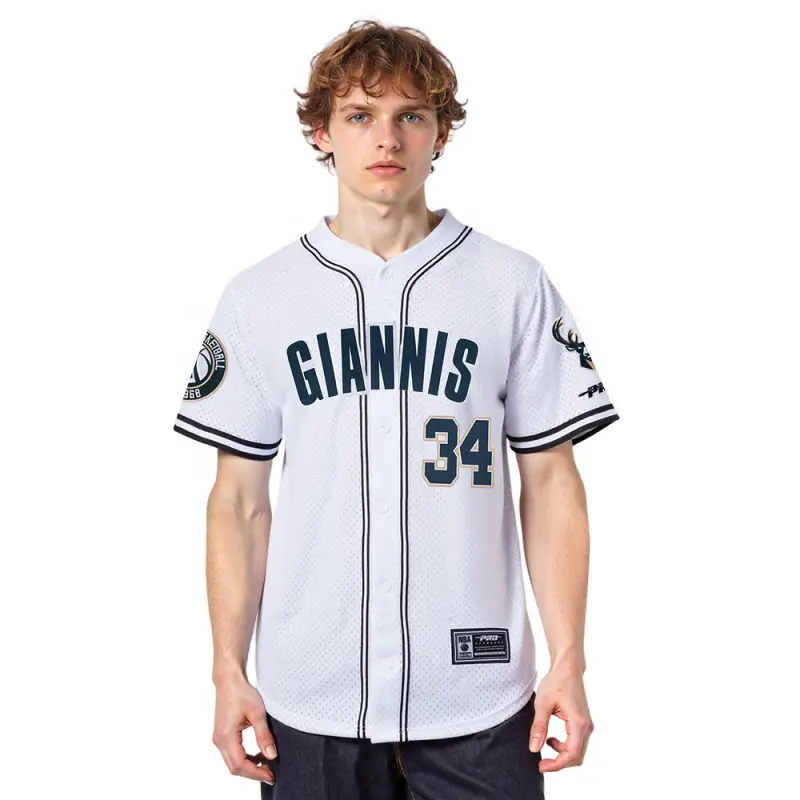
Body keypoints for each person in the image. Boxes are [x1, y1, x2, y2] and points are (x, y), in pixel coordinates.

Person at [172, 19, 620, 800]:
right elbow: (238, 503)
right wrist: (226, 670)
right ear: (322, 132)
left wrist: (570, 661)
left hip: (480, 697)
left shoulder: (511, 284)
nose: (387, 138)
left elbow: (552, 482)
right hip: (308, 700)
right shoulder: (259, 297)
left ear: (441, 132)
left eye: (411, 114)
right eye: (360, 115)